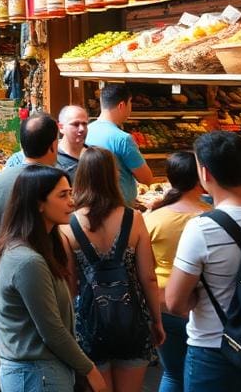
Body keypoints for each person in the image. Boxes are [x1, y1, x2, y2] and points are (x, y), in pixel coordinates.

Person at [0, 164, 107, 392]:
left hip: (39, 373)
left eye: (70, 193)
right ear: (38, 203)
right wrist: (90, 370)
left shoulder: (34, 250)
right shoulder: (27, 261)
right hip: (36, 376)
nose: (71, 201)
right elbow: (52, 331)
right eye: (62, 195)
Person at [60, 147, 163, 392]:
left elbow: (70, 284)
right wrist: (157, 320)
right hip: (132, 320)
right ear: (113, 175)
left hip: (89, 323)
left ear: (80, 177)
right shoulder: (134, 219)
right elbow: (148, 277)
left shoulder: (68, 225)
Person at [166, 131, 241, 389]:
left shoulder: (202, 229)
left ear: (205, 173)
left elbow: (175, 303)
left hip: (214, 351)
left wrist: (197, 293)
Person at [143, 152, 209, 392]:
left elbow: (144, 268)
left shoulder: (152, 219)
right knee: (200, 373)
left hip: (162, 305)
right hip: (203, 306)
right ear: (200, 178)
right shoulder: (211, 217)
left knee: (172, 373)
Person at [0, 113, 60, 275]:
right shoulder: (56, 185)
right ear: (53, 145)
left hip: (1, 286)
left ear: (21, 145)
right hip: (43, 283)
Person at [85, 84, 153, 205]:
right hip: (119, 206)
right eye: (130, 102)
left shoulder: (86, 131)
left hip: (93, 203)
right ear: (122, 105)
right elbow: (146, 179)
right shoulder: (123, 139)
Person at [7, 105, 88, 182]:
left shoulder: (93, 155)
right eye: (75, 124)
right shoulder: (43, 156)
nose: (81, 129)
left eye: (85, 124)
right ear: (61, 127)